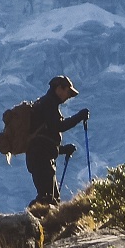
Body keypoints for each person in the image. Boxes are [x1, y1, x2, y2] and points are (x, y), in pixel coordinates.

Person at [21, 75, 87, 208]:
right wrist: (79, 117)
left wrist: (63, 149)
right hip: (41, 158)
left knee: (52, 198)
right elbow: (57, 126)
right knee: (47, 198)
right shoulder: (48, 103)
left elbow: (45, 138)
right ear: (59, 89)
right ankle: (32, 222)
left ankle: (38, 222)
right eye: (68, 92)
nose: (68, 96)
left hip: (39, 156)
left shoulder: (45, 104)